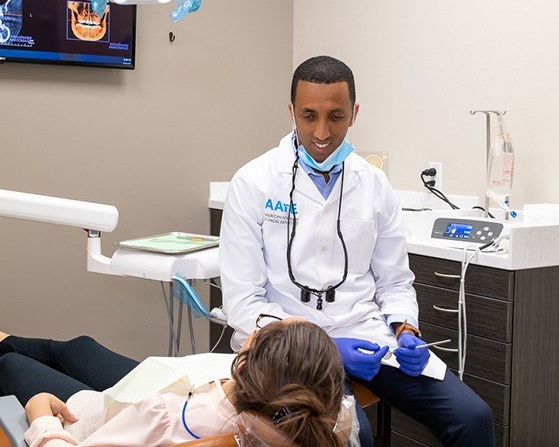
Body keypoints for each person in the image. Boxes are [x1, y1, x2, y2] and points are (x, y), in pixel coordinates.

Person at [219, 55, 495, 446]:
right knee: (352, 433)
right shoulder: (253, 182)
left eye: (336, 116)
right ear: (291, 112)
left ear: (354, 113)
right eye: (309, 115)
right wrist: (324, 347)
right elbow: (243, 303)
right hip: (289, 348)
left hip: (367, 338)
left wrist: (405, 329)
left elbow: (395, 281)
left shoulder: (375, 184)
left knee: (473, 417)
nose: (321, 131)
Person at [0, 320, 354, 447]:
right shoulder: (332, 422)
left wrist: (40, 418)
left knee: (12, 364)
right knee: (80, 348)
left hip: (89, 417)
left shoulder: (164, 418)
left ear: (242, 369)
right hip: (172, 383)